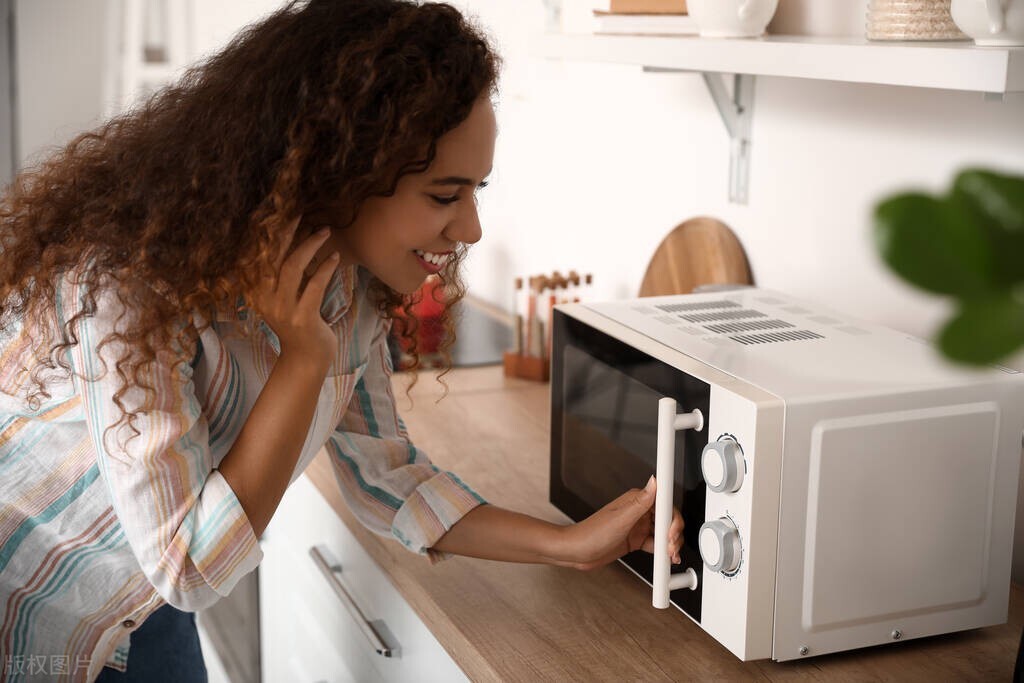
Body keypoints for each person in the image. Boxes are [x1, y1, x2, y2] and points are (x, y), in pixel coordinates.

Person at [0, 1, 684, 681]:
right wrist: (302, 361)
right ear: (340, 173)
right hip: (31, 609)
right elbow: (190, 565)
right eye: (446, 195)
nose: (472, 228)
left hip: (136, 602)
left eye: (477, 189)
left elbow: (385, 473)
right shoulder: (132, 289)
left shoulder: (346, 292)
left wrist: (569, 545)